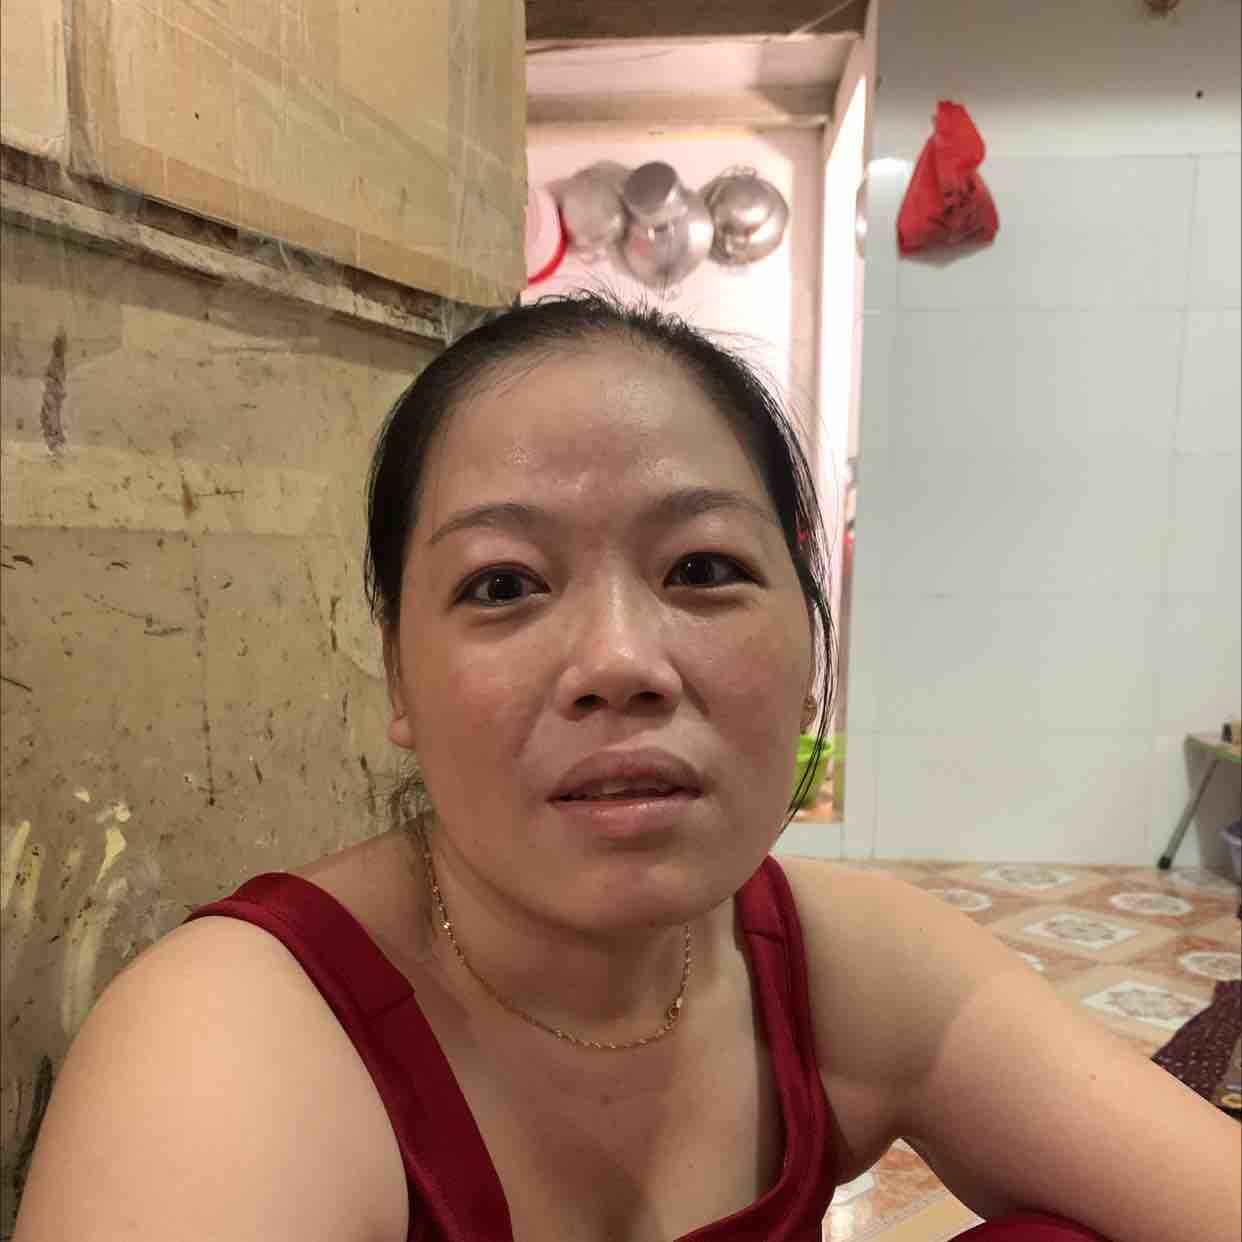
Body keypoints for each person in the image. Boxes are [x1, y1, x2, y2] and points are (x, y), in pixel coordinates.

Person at [14, 295, 1239, 1242]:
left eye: (702, 569)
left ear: (814, 653)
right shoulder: (237, 1042)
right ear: (397, 679)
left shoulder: (848, 964)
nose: (618, 662)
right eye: (504, 584)